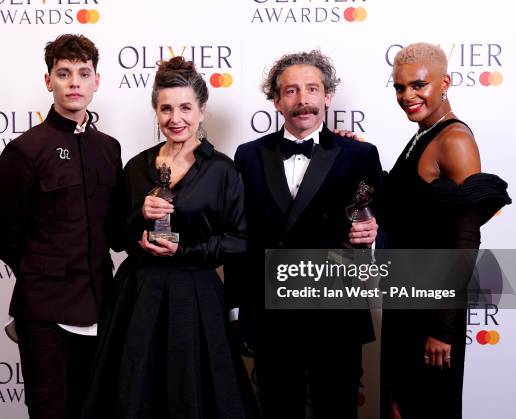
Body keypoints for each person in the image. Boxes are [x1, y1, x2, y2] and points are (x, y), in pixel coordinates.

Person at [81, 57, 258, 419]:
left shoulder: (223, 169)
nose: (175, 118)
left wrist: (187, 249)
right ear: (156, 112)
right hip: (138, 295)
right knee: (133, 393)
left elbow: (240, 241)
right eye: (166, 109)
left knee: (195, 395)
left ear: (202, 110)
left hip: (196, 298)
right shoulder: (136, 166)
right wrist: (139, 219)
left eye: (185, 108)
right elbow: (116, 237)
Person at [226, 51, 382, 419]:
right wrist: (238, 309)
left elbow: (381, 225)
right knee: (279, 409)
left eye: (312, 89)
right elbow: (239, 238)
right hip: (271, 316)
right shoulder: (248, 155)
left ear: (328, 96)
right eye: (291, 91)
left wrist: (372, 237)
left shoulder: (360, 154)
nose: (303, 100)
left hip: (336, 314)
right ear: (277, 101)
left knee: (337, 409)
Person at [0, 34, 124, 419]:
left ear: (97, 80)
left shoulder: (109, 149)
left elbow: (114, 231)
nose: (75, 82)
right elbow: (3, 234)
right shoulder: (25, 150)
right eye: (64, 73)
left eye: (84, 73)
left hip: (100, 306)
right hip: (44, 311)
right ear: (49, 81)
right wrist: (41, 274)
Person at [379, 42, 511, 419]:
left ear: (445, 83)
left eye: (418, 85)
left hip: (432, 311)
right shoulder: (424, 134)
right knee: (399, 406)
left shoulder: (454, 140)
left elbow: (465, 242)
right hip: (405, 297)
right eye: (399, 88)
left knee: (427, 407)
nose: (407, 96)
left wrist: (443, 328)